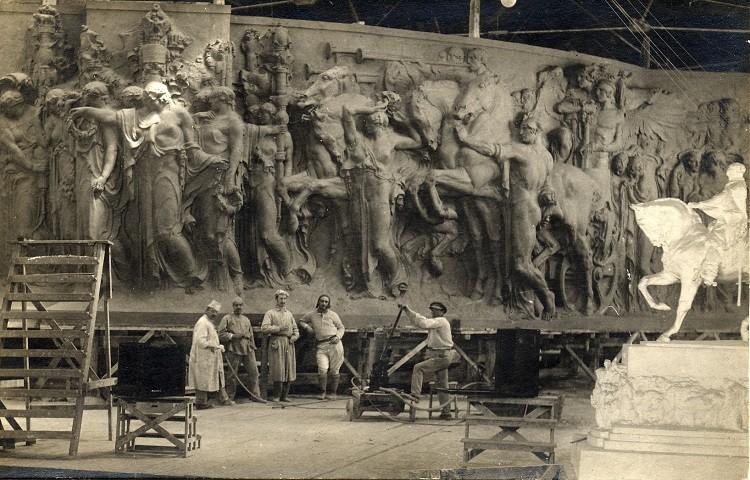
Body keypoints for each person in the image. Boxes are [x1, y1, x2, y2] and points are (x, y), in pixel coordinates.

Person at [400, 302, 458, 420]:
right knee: (442, 386)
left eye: (435, 310)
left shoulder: (440, 321)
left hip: (442, 356)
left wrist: (408, 309)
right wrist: (407, 311)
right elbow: (419, 322)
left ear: (442, 312)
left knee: (418, 368)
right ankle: (446, 413)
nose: (433, 312)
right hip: (442, 355)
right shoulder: (436, 322)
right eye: (432, 310)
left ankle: (415, 395)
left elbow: (424, 323)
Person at [298, 294, 345, 400]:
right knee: (322, 369)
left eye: (326, 302)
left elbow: (341, 327)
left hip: (334, 344)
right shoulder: (312, 314)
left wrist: (338, 336)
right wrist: (307, 327)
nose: (324, 303)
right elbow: (301, 321)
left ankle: (333, 393)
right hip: (321, 345)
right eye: (322, 301)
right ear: (318, 302)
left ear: (328, 304)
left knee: (334, 370)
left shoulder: (333, 315)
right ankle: (322, 392)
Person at [189, 300, 233, 409]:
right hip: (203, 356)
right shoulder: (202, 322)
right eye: (213, 311)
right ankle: (201, 403)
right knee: (202, 379)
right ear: (207, 310)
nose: (215, 314)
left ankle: (221, 399)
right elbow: (201, 341)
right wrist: (215, 346)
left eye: (216, 312)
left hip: (209, 356)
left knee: (210, 377)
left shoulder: (208, 322)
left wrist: (217, 346)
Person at [218, 296, 261, 403]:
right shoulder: (227, 318)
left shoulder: (246, 319)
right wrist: (233, 336)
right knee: (232, 375)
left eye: (240, 305)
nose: (238, 307)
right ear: (233, 306)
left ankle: (255, 395)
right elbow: (221, 334)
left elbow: (250, 334)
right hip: (234, 349)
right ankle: (230, 397)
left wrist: (252, 346)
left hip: (248, 349)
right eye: (236, 305)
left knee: (254, 372)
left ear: (243, 306)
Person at [260, 289, 299, 402]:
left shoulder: (289, 314)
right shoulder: (270, 313)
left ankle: (284, 396)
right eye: (281, 298)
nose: (283, 301)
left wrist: (294, 337)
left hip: (289, 343)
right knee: (278, 370)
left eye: (285, 299)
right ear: (276, 299)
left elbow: (296, 329)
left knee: (288, 369)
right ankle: (276, 396)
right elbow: (264, 328)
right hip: (276, 343)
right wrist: (279, 328)